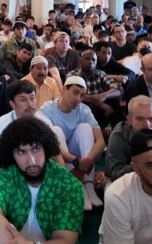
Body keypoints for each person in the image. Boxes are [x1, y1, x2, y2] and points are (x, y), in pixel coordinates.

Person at [0, 117, 83, 244]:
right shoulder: (6, 176)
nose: (31, 161)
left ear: (46, 148)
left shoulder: (68, 184)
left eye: (36, 149)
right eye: (21, 152)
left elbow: (66, 240)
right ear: (12, 155)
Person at [39, 76, 105, 210]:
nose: (78, 99)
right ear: (64, 89)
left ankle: (89, 185)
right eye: (75, 92)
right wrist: (75, 161)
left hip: (80, 160)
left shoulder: (84, 110)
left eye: (82, 95)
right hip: (58, 157)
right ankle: (77, 186)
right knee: (55, 130)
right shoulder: (47, 109)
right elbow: (49, 143)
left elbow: (101, 141)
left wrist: (87, 161)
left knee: (85, 128)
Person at [104, 96, 152, 181]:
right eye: (140, 119)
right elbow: (115, 175)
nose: (147, 125)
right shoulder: (119, 136)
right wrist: (140, 163)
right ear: (129, 120)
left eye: (151, 119)